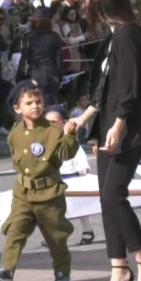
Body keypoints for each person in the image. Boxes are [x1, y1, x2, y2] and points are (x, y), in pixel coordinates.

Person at [70, 0, 141, 281]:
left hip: (127, 128)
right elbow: (104, 88)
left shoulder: (127, 34)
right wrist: (83, 120)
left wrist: (120, 123)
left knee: (113, 196)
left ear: (102, 6)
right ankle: (119, 269)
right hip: (110, 125)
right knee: (106, 200)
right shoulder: (115, 37)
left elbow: (129, 86)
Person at [0, 80, 79, 281]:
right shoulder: (14, 134)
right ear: (18, 108)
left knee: (56, 237)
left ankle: (62, 271)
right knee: (15, 231)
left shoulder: (53, 131)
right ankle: (6, 270)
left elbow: (65, 153)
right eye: (29, 103)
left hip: (49, 195)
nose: (35, 106)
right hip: (24, 193)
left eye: (38, 101)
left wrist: (70, 135)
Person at [46, 105, 95, 245]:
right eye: (48, 122)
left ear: (65, 121)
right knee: (54, 208)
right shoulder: (45, 139)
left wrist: (82, 166)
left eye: (55, 121)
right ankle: (55, 235)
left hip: (73, 176)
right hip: (56, 177)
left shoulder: (69, 137)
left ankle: (87, 230)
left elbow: (78, 152)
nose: (52, 125)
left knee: (80, 205)